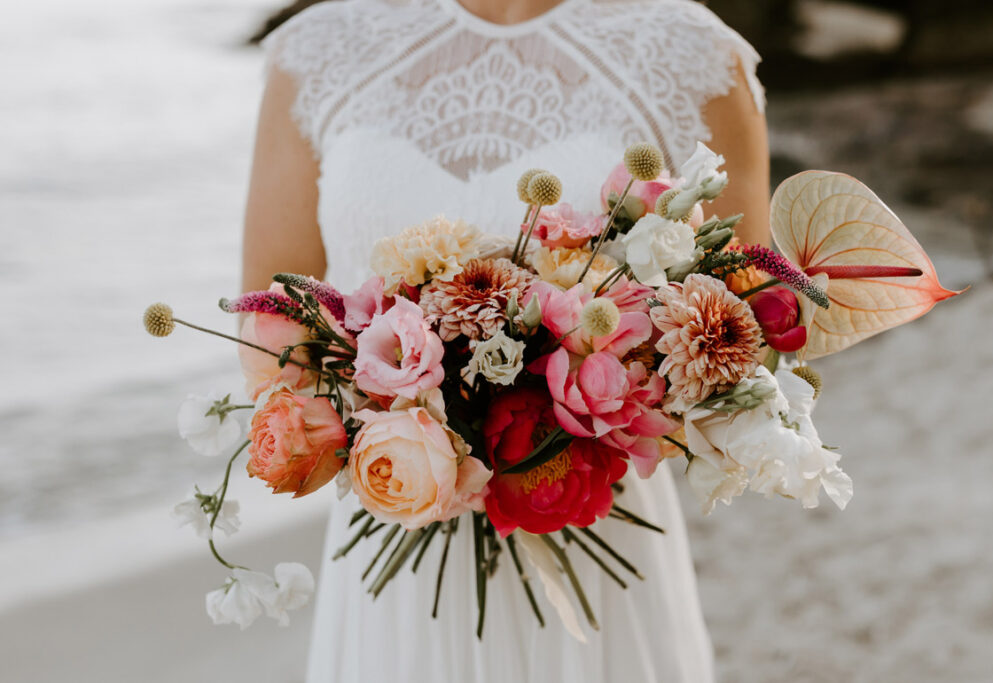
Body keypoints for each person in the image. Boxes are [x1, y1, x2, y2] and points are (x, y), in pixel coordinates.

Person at [241, 1, 769, 680]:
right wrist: (410, 438)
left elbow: (742, 327)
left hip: (586, 512)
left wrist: (587, 409)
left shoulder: (691, 50)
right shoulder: (314, 49)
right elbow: (267, 323)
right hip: (393, 512)